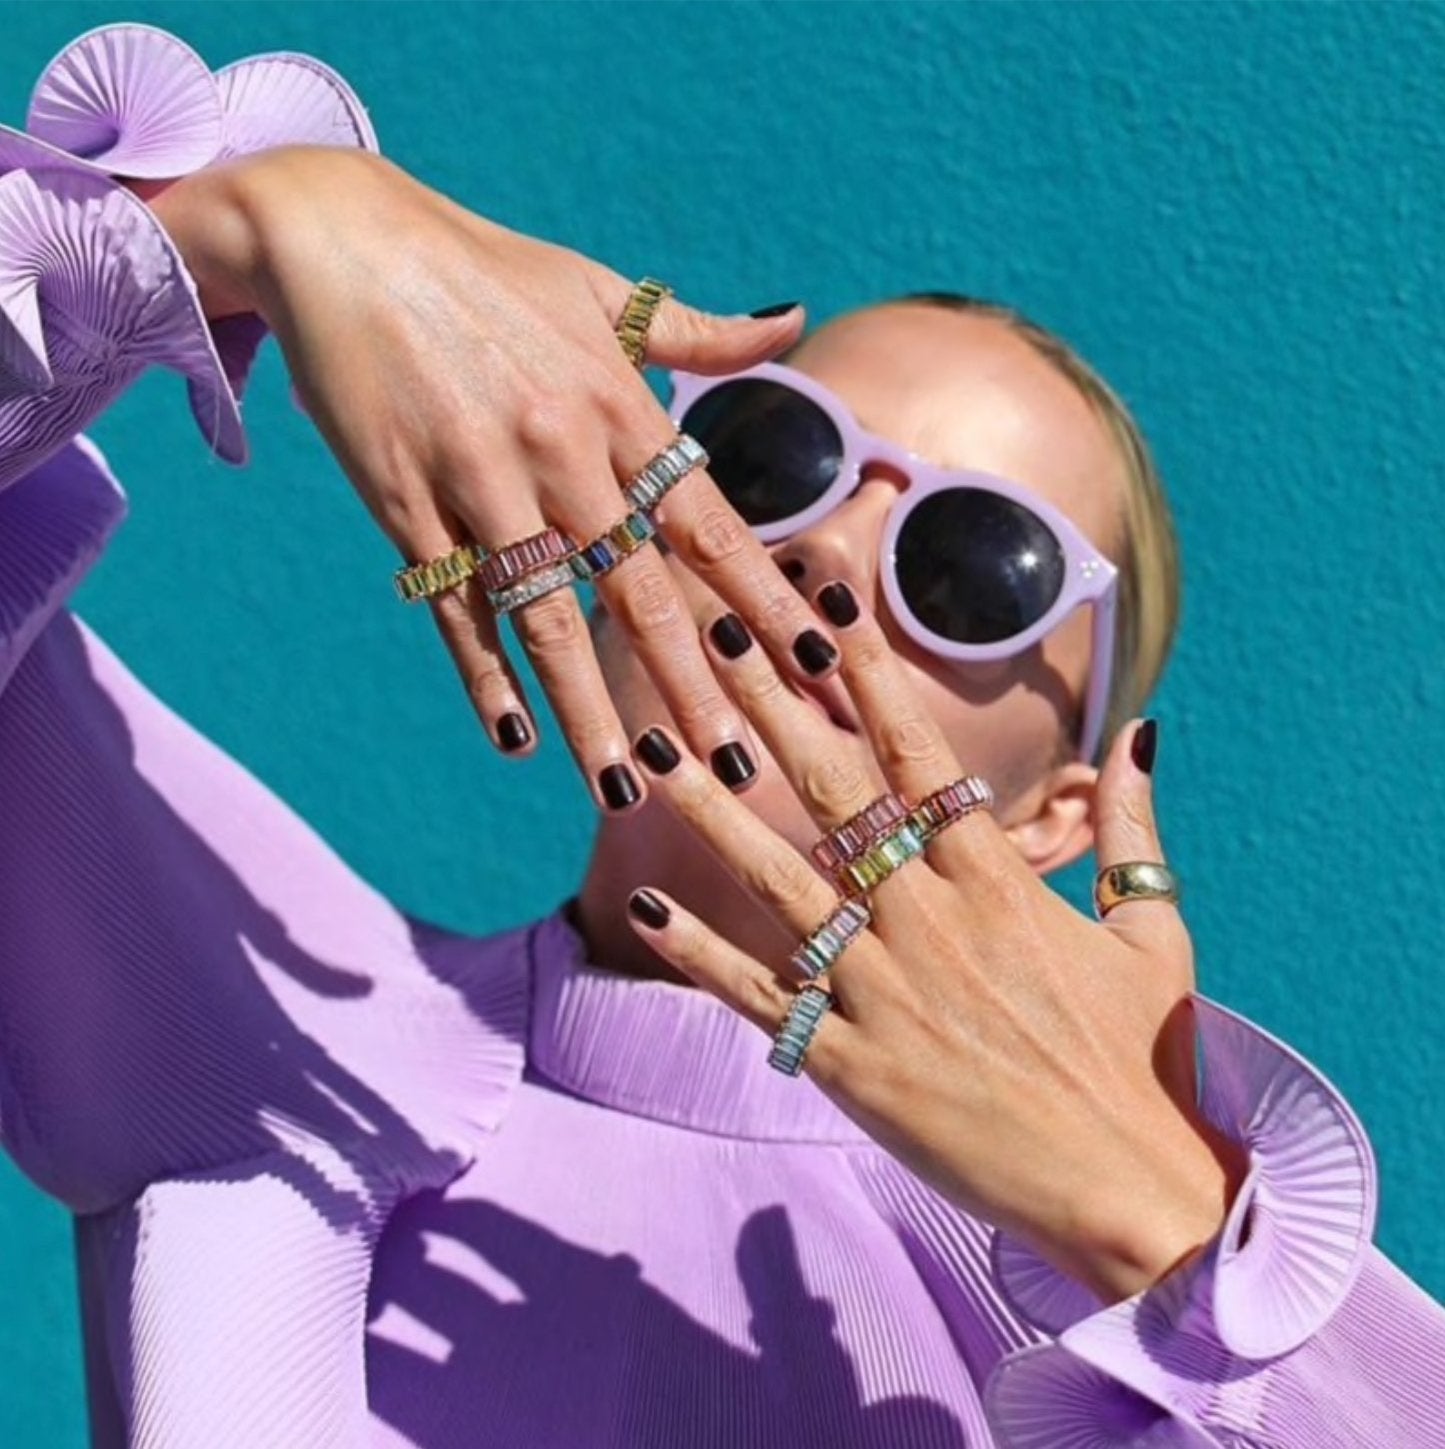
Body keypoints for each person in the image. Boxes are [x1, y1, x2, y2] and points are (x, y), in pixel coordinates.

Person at [1, 22, 1442, 1448]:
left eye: (971, 565)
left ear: (1060, 810)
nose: (823, 559)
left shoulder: (1139, 1335)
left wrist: (1172, 1232)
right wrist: (264, 218)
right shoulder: (282, 1026)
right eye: (766, 460)